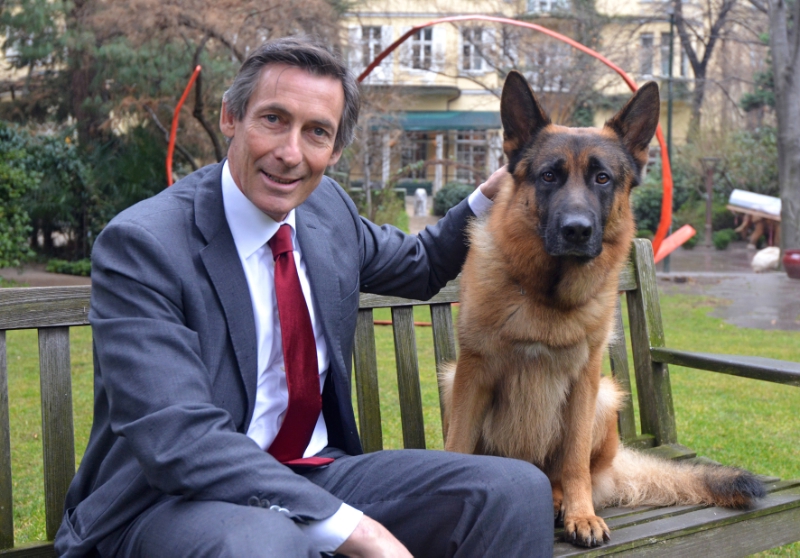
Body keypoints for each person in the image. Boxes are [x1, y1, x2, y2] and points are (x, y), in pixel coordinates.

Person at [55, 37, 553, 557]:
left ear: (334, 150)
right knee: (265, 541)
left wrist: (491, 194)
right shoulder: (144, 245)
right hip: (168, 502)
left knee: (513, 490)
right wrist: (361, 532)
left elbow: (421, 265)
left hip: (313, 473)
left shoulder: (326, 212)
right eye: (273, 119)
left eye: (316, 132)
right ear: (231, 117)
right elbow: (179, 438)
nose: (290, 154)